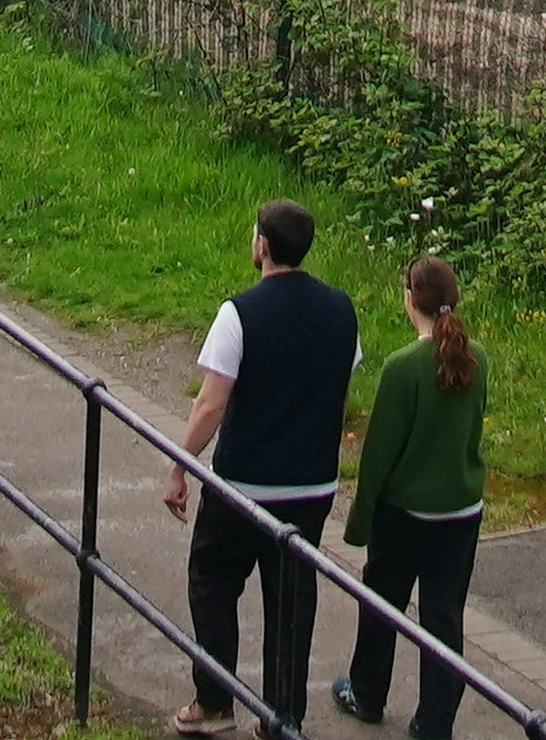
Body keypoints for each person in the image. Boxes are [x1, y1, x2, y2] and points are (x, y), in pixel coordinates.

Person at [158, 196, 357, 736]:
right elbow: (339, 385)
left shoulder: (239, 313)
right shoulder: (342, 310)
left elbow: (211, 403)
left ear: (262, 245)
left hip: (245, 485)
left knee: (213, 580)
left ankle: (215, 700)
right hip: (313, 486)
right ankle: (283, 716)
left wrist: (180, 465)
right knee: (292, 601)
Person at [331, 256, 487, 735]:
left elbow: (378, 455)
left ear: (408, 299)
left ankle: (368, 693)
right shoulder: (477, 358)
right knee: (444, 619)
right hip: (462, 509)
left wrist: (358, 523)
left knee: (382, 606)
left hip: (406, 514)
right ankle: (434, 722)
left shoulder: (401, 368)